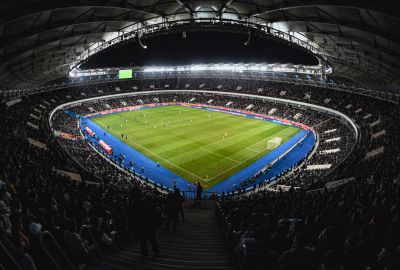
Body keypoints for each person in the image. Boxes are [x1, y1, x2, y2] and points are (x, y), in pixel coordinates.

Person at [127, 190, 160, 257]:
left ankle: (144, 252)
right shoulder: (146, 203)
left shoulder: (132, 206)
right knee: (152, 240)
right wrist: (155, 224)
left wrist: (132, 228)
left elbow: (131, 218)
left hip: (139, 226)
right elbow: (153, 213)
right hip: (148, 225)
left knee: (142, 241)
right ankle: (156, 253)